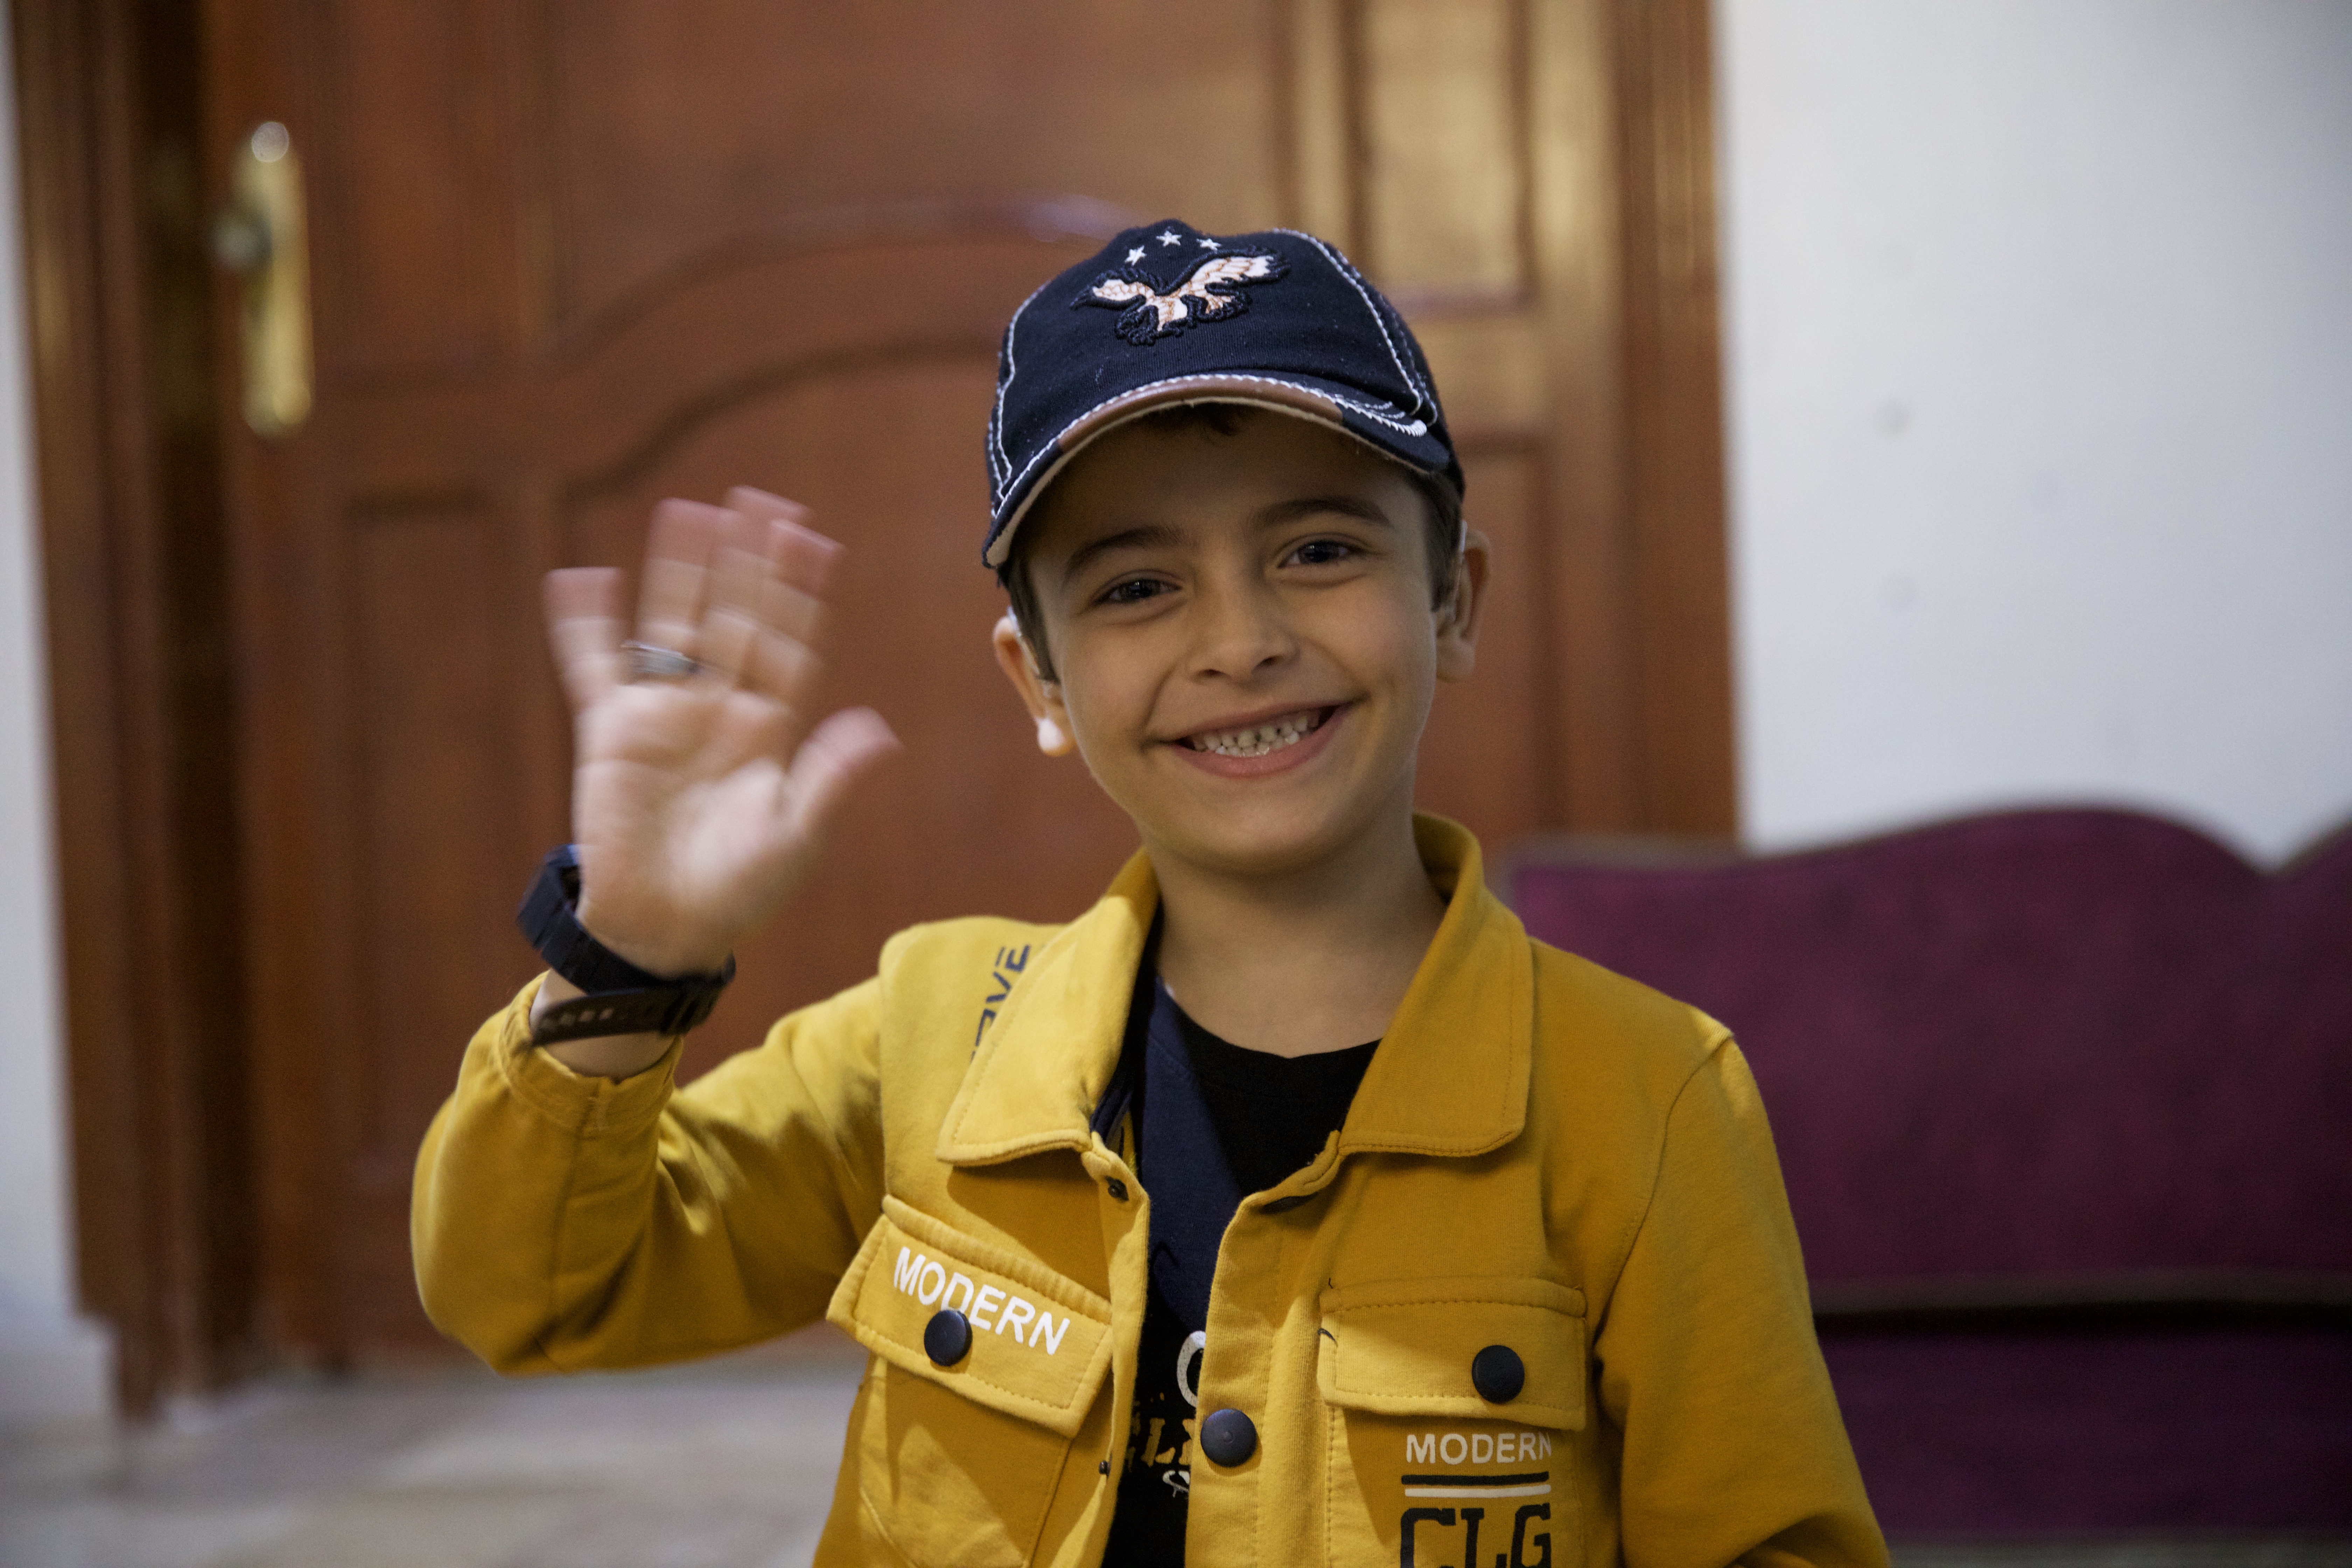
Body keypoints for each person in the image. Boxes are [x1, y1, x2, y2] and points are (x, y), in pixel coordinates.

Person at [413, 219, 1887, 1568]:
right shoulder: (925, 1037)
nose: (1240, 641)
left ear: (1454, 603)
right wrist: (624, 957)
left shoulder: (1648, 1099)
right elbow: (538, 1288)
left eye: (1318, 550)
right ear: (1039, 681)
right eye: (1136, 587)